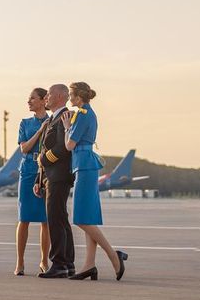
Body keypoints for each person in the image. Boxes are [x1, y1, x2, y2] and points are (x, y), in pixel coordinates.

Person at [58, 81, 128, 281]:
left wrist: (66, 127)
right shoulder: (84, 113)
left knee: (80, 218)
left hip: (85, 165)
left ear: (79, 97)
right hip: (84, 165)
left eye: (71, 95)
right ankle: (89, 266)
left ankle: (114, 255)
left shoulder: (82, 115)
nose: (69, 99)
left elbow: (70, 145)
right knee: (87, 218)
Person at [35, 84, 76, 279]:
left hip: (59, 176)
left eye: (49, 94)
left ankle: (59, 263)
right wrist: (39, 178)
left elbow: (62, 148)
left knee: (55, 220)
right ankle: (67, 263)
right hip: (51, 176)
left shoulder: (64, 117)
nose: (46, 98)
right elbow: (45, 148)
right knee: (60, 219)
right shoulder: (53, 119)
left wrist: (43, 160)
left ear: (59, 96)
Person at [13, 88, 51, 276]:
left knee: (46, 219)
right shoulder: (25, 123)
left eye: (32, 99)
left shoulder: (54, 120)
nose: (28, 102)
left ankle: (44, 260)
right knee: (24, 218)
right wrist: (39, 132)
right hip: (28, 169)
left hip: (47, 170)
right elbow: (24, 148)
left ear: (44, 100)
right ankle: (20, 262)